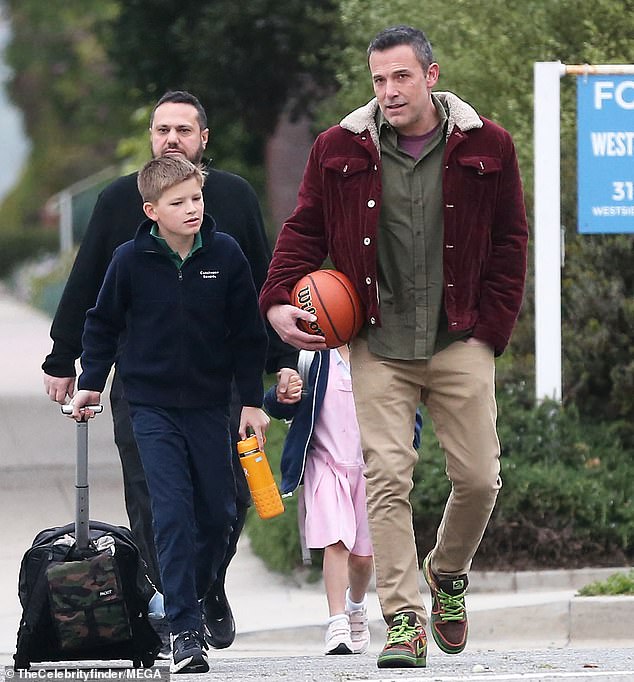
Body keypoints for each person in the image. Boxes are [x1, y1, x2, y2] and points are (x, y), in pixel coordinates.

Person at [259, 25, 528, 670]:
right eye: (379, 80)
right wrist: (275, 300)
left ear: (430, 76)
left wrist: (491, 330)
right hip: (376, 341)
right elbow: (304, 230)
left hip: (460, 335)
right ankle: (402, 619)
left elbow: (510, 242)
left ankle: (449, 572)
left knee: (480, 478)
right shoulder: (337, 149)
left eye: (401, 77)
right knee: (385, 477)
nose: (389, 91)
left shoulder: (487, 145)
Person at [42, 90, 297, 653]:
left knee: (226, 500)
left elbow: (263, 289)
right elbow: (90, 293)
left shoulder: (231, 204)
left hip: (218, 383)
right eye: (162, 129)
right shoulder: (121, 203)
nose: (172, 138)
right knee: (157, 501)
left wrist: (277, 368)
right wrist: (69, 364)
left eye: (184, 129)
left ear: (203, 139)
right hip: (146, 385)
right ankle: (177, 611)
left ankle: (206, 588)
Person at [68, 156, 269, 673]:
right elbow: (101, 324)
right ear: (152, 210)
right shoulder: (129, 261)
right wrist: (90, 383)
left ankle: (190, 599)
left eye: (196, 199)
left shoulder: (225, 255)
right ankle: (184, 631)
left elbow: (248, 334)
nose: (192, 209)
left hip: (209, 406)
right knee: (172, 513)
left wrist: (252, 400)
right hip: (151, 408)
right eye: (178, 203)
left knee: (221, 513)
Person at [264, 347, 373, 656]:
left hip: (370, 467)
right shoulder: (312, 358)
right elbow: (280, 406)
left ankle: (356, 606)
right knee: (336, 542)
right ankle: (337, 622)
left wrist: (409, 448)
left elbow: (407, 410)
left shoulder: (379, 355)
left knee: (363, 557)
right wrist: (282, 394)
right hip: (326, 464)